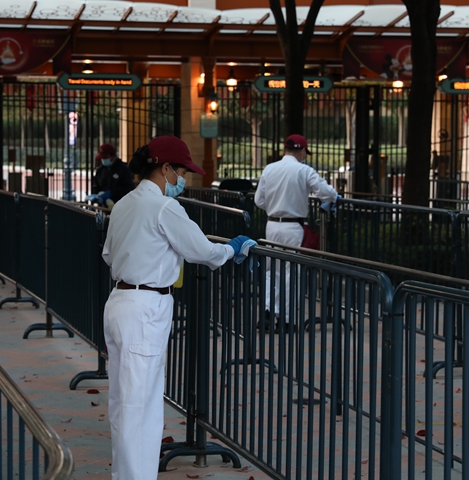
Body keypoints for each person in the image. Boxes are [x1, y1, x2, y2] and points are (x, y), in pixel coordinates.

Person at [101, 135, 254, 480]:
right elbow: (202, 250)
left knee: (123, 403)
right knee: (142, 407)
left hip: (120, 303)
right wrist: (232, 249)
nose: (183, 180)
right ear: (166, 168)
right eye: (182, 172)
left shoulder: (124, 204)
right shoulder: (164, 207)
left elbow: (109, 255)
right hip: (146, 307)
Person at [253, 134, 338, 332]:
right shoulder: (304, 170)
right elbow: (325, 192)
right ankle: (286, 320)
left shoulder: (269, 169)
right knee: (291, 273)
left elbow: (259, 200)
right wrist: (334, 197)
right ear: (302, 151)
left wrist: (275, 207)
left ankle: (267, 311)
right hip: (293, 227)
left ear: (285, 149)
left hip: (272, 225)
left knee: (271, 270)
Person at [86, 142, 135, 208]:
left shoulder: (124, 169)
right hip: (103, 206)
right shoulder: (101, 170)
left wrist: (111, 193)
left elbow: (128, 188)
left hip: (120, 205)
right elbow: (96, 185)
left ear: (113, 156)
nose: (103, 160)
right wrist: (96, 195)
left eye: (105, 157)